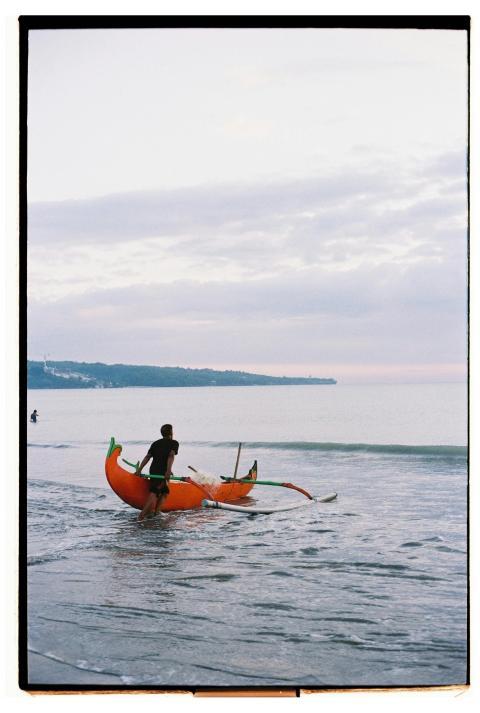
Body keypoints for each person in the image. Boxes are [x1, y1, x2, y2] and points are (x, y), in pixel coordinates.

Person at [136, 424, 179, 521]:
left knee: (164, 491)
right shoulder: (174, 443)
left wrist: (139, 470)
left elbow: (148, 457)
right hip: (162, 471)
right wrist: (168, 470)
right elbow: (170, 456)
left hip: (154, 469)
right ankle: (141, 516)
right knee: (155, 492)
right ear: (171, 432)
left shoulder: (155, 443)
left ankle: (156, 513)